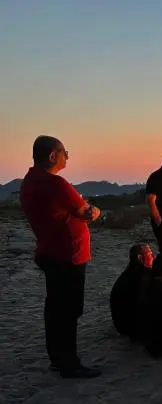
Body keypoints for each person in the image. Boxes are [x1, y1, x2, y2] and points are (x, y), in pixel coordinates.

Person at [19, 135, 102, 379]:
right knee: (67, 310)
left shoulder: (30, 180)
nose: (68, 156)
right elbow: (86, 211)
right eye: (65, 152)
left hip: (50, 251)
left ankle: (58, 358)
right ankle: (69, 363)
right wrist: (93, 210)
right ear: (53, 155)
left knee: (55, 307)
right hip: (68, 255)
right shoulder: (56, 184)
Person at [110, 243, 154, 340]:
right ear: (140, 258)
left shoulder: (130, 273)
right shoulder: (141, 278)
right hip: (130, 328)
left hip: (121, 325)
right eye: (150, 254)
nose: (153, 257)